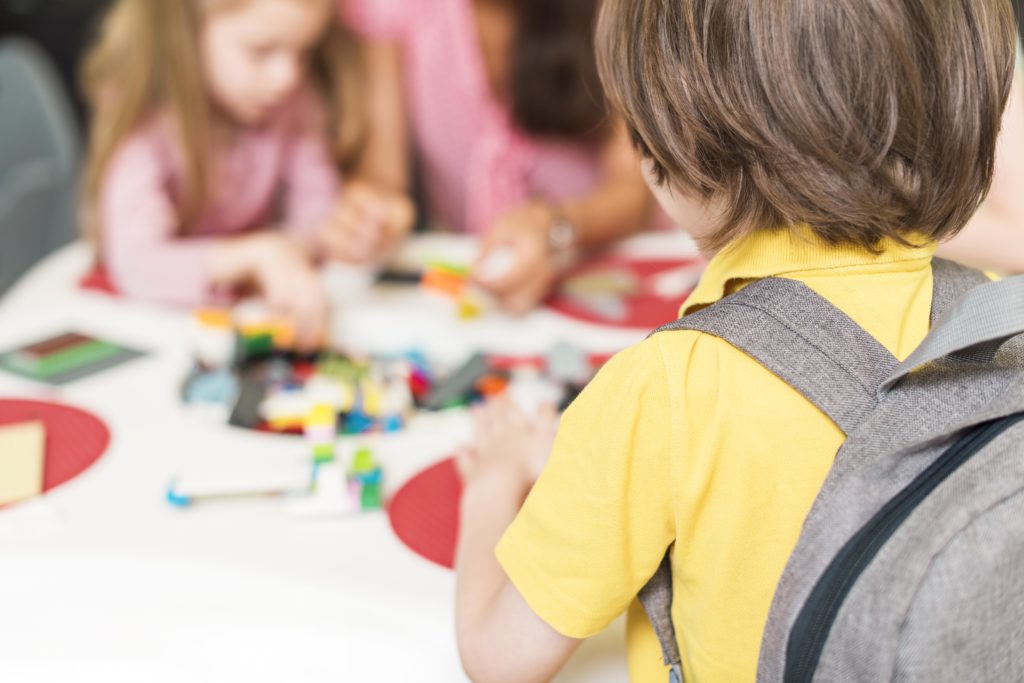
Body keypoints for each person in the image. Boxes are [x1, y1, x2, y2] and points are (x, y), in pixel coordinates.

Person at [453, 0, 1017, 681]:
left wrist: (491, 482)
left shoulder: (667, 389)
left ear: (676, 147)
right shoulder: (991, 316)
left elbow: (497, 656)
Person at [337, 0, 659, 313]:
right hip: (480, 297)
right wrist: (373, 216)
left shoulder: (618, 10)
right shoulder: (393, 8)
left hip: (617, 277)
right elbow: (382, 177)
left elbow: (632, 192)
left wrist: (549, 225)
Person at [81, 0, 365, 348]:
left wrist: (300, 245)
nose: (287, 76)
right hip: (153, 330)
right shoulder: (143, 116)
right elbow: (136, 264)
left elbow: (319, 208)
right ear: (185, 29)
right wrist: (255, 255)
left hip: (235, 327)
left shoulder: (293, 101)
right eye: (261, 50)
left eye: (304, 52)